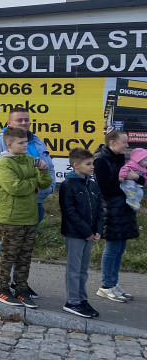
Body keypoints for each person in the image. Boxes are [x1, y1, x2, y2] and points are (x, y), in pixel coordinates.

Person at [0, 106, 55, 296]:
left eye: (26, 120)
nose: (24, 123)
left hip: (34, 200)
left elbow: (47, 167)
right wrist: (29, 185)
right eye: (19, 120)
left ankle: (18, 283)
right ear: (9, 123)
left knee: (24, 246)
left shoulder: (37, 142)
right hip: (9, 200)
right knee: (7, 243)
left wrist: (48, 187)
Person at [94, 129, 141, 302]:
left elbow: (138, 178)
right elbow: (105, 188)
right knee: (113, 248)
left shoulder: (121, 159)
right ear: (112, 143)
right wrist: (126, 192)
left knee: (120, 248)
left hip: (124, 209)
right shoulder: (100, 161)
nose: (127, 145)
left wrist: (136, 178)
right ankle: (105, 286)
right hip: (111, 210)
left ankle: (113, 283)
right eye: (124, 142)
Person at [58, 147, 103, 318]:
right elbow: (70, 212)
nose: (92, 167)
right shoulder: (68, 185)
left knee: (84, 269)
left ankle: (82, 299)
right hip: (75, 233)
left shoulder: (92, 184)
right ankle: (72, 301)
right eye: (88, 164)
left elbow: (99, 208)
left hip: (90, 234)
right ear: (76, 165)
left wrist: (98, 230)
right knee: (74, 268)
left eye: (92, 163)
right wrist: (86, 231)